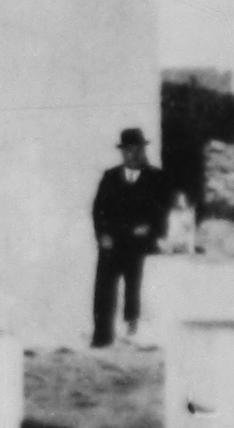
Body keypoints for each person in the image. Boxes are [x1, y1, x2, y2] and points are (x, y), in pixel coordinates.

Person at [91, 127, 167, 348]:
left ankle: (133, 335)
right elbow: (98, 210)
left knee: (136, 289)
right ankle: (102, 337)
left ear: (143, 151)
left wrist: (150, 229)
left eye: (138, 150)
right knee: (104, 290)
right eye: (128, 150)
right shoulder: (110, 177)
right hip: (112, 244)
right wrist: (102, 235)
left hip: (139, 245)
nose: (133, 155)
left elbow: (161, 209)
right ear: (122, 152)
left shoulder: (155, 177)